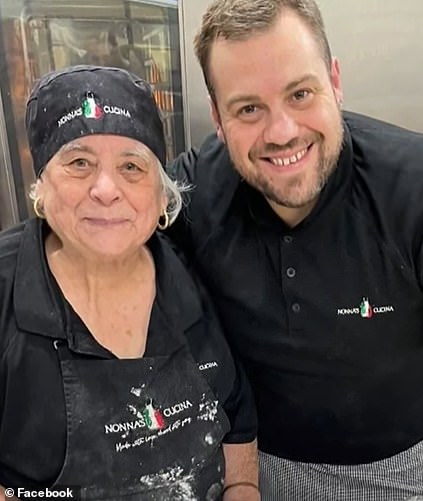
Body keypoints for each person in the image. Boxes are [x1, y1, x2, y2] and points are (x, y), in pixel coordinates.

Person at [167, 1, 423, 500]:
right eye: (249, 108)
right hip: (253, 471)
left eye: (300, 93)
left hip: (408, 474)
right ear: (217, 117)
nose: (282, 132)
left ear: (335, 80)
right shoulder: (193, 196)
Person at [0, 65, 260, 501]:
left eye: (132, 166)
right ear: (40, 185)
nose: (106, 188)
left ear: (161, 195)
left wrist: (243, 489)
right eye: (79, 162)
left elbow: (237, 431)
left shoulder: (190, 275)